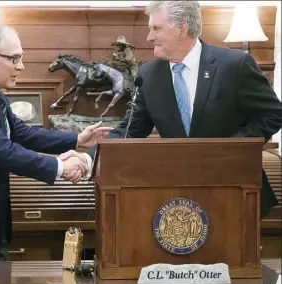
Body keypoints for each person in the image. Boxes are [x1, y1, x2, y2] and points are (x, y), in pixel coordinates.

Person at [65, 1, 282, 219]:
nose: (149, 37)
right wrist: (86, 159)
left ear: (182, 29)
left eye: (156, 28)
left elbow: (273, 113)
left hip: (235, 190)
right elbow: (129, 131)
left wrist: (232, 147)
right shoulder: (149, 74)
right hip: (176, 195)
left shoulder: (234, 65)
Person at [0, 24, 112, 262]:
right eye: (14, 58)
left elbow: (24, 134)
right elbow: (4, 152)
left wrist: (77, 139)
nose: (21, 66)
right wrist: (59, 167)